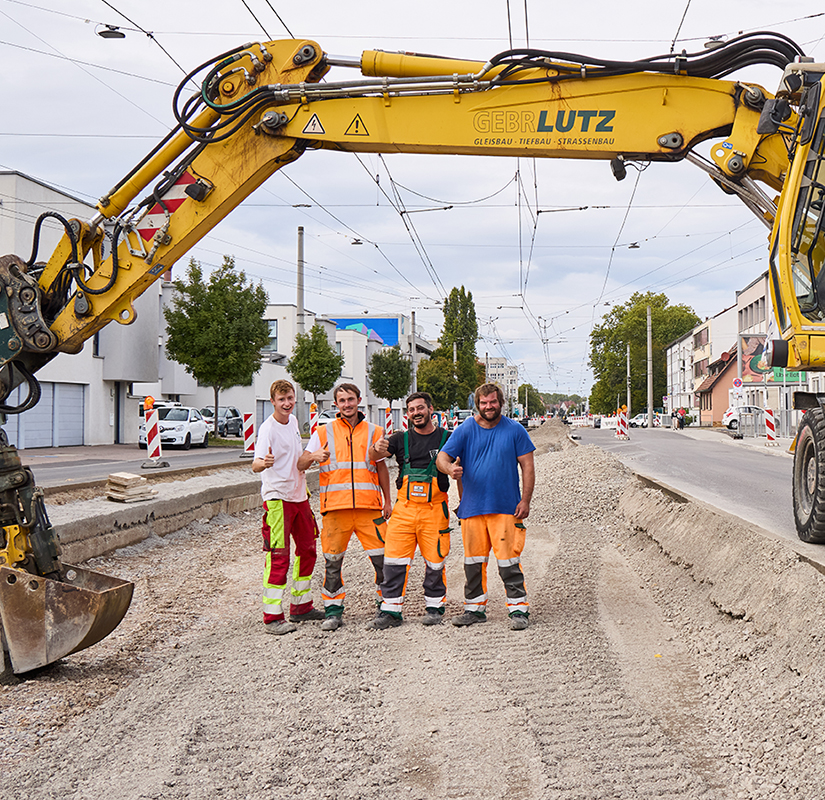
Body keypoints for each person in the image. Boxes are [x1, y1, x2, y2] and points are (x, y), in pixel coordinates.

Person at [436, 383, 535, 631]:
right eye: (483, 403)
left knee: (508, 561)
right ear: (477, 405)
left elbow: (528, 467)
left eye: (492, 402)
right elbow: (441, 458)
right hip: (472, 508)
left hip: (506, 508)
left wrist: (525, 500)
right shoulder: (466, 429)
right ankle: (474, 610)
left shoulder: (515, 430)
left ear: (501, 403)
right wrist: (450, 469)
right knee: (473, 562)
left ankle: (518, 610)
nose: (488, 407)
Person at [298, 383, 392, 631]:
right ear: (336, 404)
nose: (347, 404)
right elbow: (301, 463)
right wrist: (312, 457)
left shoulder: (375, 431)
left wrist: (388, 501)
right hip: (335, 510)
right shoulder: (322, 433)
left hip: (369, 508)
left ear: (359, 400)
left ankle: (385, 607)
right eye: (342, 401)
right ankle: (333, 611)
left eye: (351, 399)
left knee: (382, 560)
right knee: (332, 562)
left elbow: (381, 467)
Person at [365, 391, 455, 630]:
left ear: (430, 409)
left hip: (435, 509)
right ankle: (390, 611)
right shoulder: (399, 439)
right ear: (408, 414)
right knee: (393, 560)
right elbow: (374, 456)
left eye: (420, 408)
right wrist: (376, 447)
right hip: (404, 509)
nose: (416, 413)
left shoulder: (448, 438)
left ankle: (435, 607)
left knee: (435, 560)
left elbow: (461, 468)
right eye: (411, 409)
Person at [252, 380, 324, 636]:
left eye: (290, 398)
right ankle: (272, 616)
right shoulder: (267, 429)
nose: (287, 403)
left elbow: (297, 459)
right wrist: (264, 462)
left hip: (299, 497)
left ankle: (301, 606)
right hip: (278, 499)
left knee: (308, 550)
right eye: (281, 399)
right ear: (272, 401)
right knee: (279, 557)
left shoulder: (293, 422)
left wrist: (312, 457)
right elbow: (255, 465)